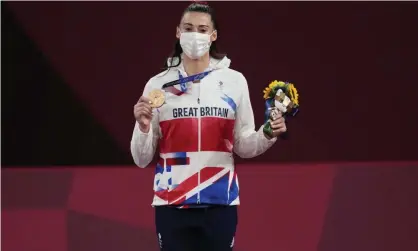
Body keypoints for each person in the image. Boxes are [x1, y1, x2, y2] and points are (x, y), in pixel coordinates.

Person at [131, 2, 286, 251]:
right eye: (189, 28)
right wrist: (143, 127)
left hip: (220, 203)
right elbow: (141, 158)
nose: (196, 35)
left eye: (203, 29)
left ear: (213, 36)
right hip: (172, 204)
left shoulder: (234, 81)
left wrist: (267, 133)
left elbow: (244, 145)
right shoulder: (158, 85)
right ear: (178, 32)